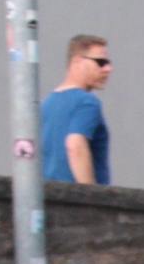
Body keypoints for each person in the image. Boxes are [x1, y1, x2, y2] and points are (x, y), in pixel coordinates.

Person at [41, 35, 112, 185]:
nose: (108, 69)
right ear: (77, 62)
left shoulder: (47, 103)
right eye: (100, 62)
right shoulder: (87, 102)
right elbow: (75, 145)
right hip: (75, 202)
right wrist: (91, 199)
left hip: (48, 199)